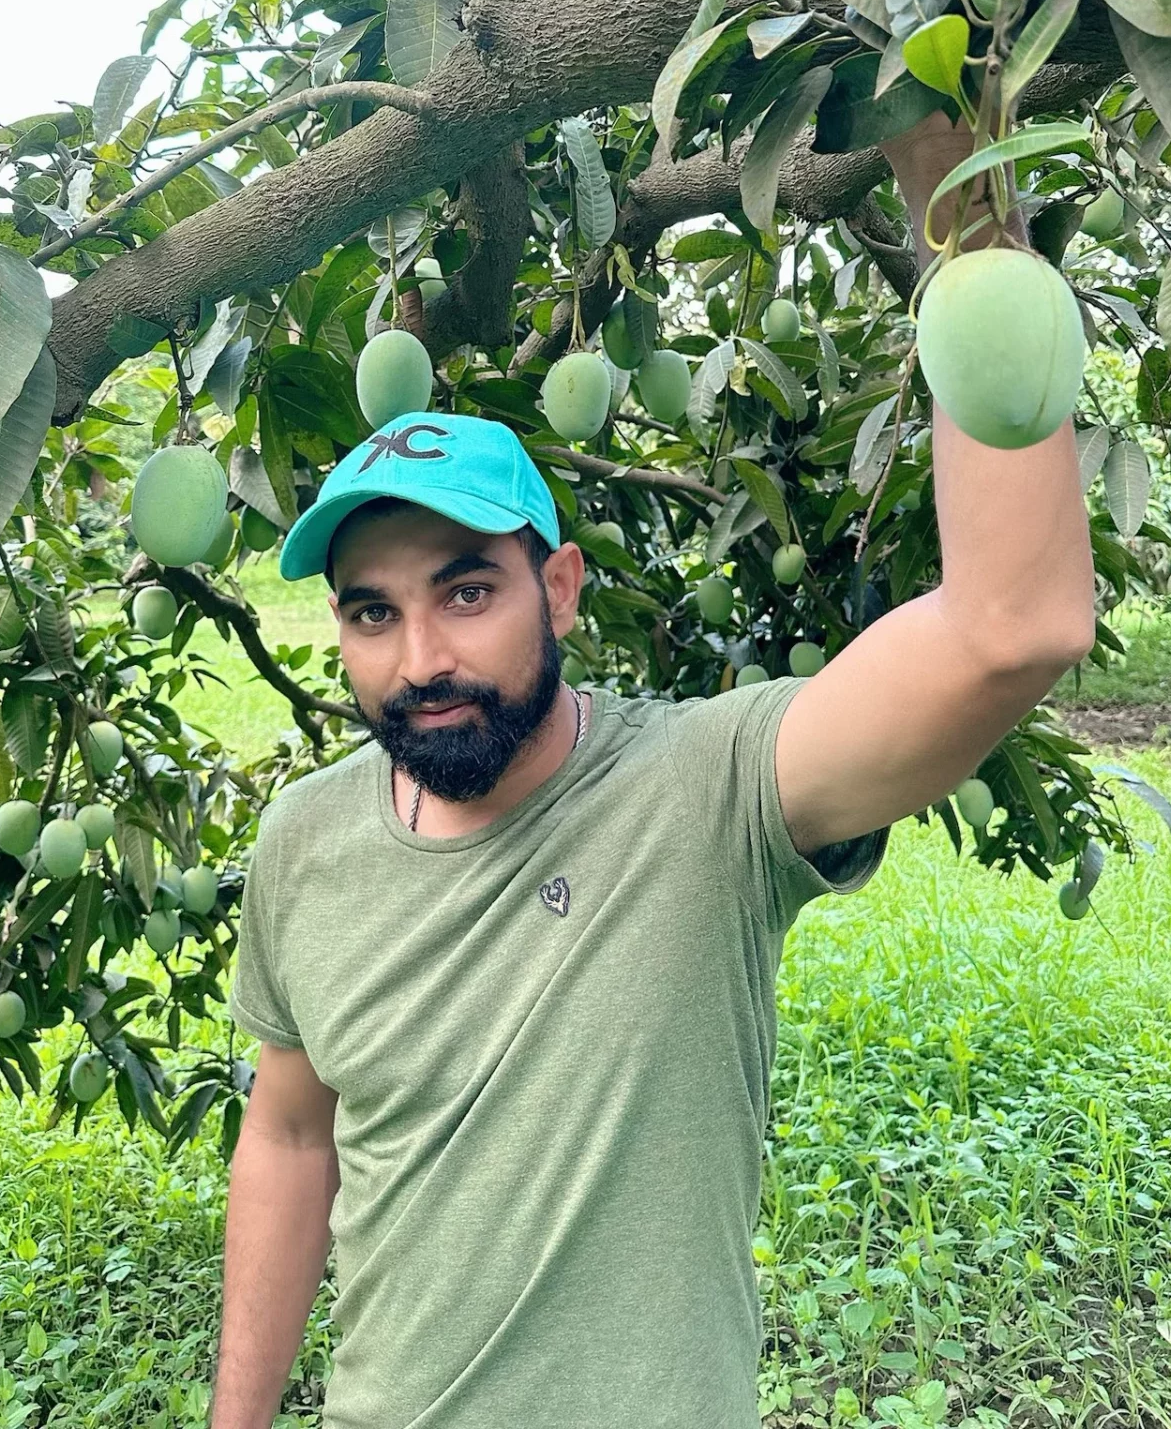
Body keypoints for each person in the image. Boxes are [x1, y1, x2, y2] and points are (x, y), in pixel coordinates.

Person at [209, 107, 1096, 1429]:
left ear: (557, 588)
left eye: (465, 593)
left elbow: (1007, 628)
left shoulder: (710, 790)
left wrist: (949, 171)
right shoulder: (305, 842)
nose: (418, 658)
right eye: (371, 613)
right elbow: (288, 1138)